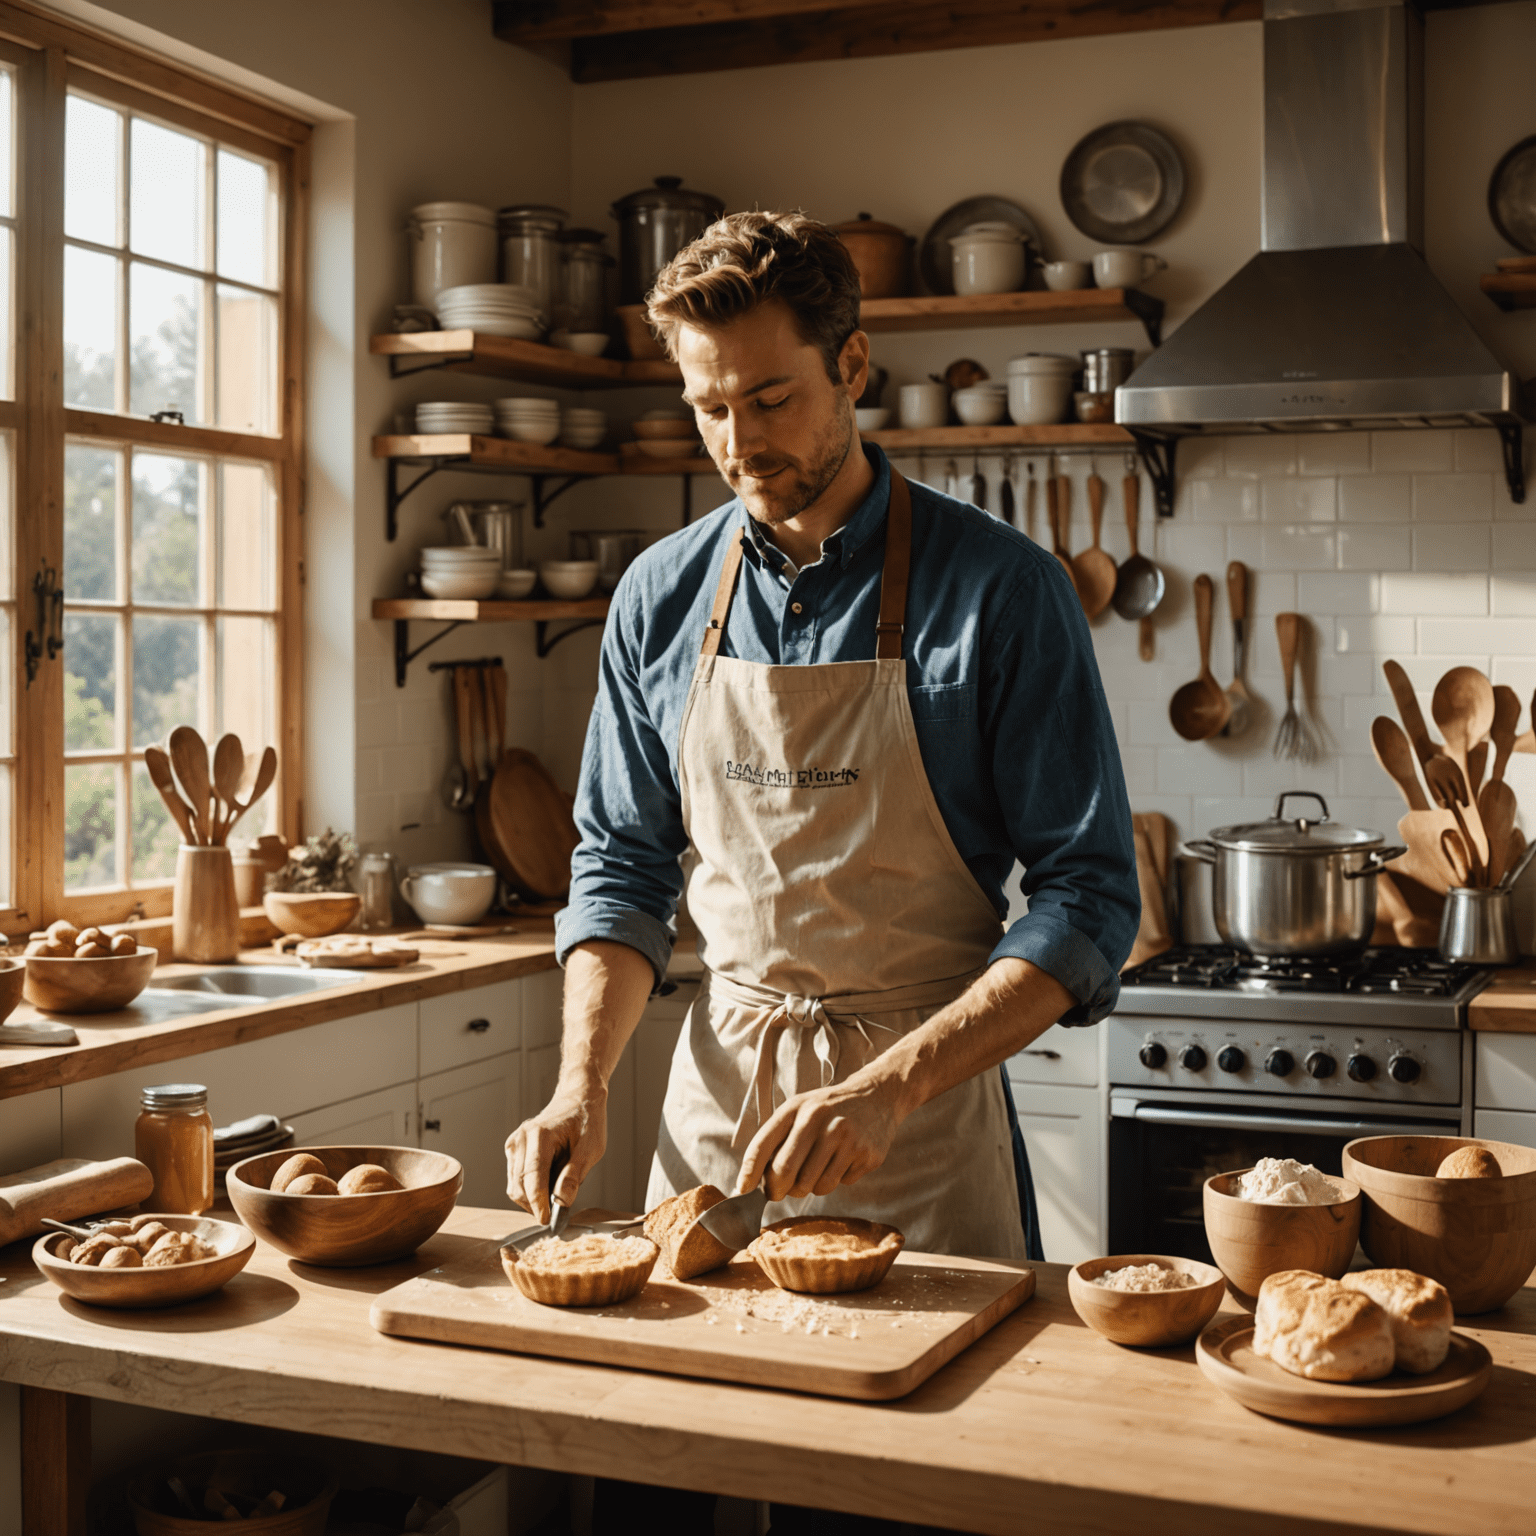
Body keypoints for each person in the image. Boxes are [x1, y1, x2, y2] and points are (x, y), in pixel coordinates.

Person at [508, 206, 1136, 1282]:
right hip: (713, 1121)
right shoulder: (658, 598)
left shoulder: (1003, 592)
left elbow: (1088, 900)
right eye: (709, 408)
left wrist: (890, 1086)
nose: (741, 443)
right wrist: (583, 1083)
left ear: (852, 365)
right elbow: (620, 869)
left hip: (920, 1121)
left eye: (769, 398)